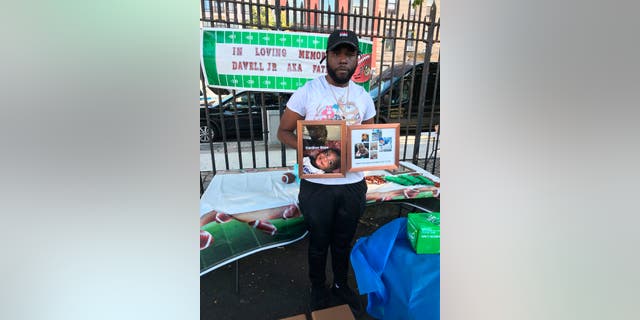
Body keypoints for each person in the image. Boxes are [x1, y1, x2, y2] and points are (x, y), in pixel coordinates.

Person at [277, 29, 376, 316]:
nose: (343, 60)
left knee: (343, 241)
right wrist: (309, 151)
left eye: (349, 54)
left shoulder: (363, 96)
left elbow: (367, 139)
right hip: (318, 186)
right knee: (319, 242)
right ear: (327, 57)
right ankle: (318, 287)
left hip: (353, 185)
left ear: (357, 59)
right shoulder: (308, 91)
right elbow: (283, 131)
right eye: (337, 53)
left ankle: (341, 286)